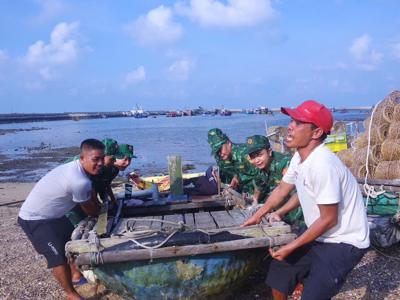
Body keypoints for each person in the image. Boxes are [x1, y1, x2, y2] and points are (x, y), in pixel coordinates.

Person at [242, 100, 370, 300]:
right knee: (279, 274)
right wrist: (257, 215)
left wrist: (290, 246)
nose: (290, 126)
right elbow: (283, 189)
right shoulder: (298, 157)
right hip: (319, 234)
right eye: (292, 120)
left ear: (316, 132)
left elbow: (329, 219)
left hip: (344, 241)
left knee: (312, 295)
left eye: (299, 123)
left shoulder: (322, 165)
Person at [18, 139, 104, 300]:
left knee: (68, 244)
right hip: (35, 218)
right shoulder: (78, 180)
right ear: (82, 158)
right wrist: (102, 215)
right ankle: (71, 294)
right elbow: (90, 210)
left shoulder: (79, 170)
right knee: (57, 258)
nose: (100, 163)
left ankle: (76, 276)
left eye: (102, 158)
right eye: (95, 159)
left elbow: (91, 194)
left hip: (55, 215)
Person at [244, 134, 291, 204]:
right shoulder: (259, 166)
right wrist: (254, 200)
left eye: (260, 155)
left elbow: (293, 194)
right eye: (253, 157)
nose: (256, 160)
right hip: (275, 206)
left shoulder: (284, 164)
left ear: (269, 152)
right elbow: (259, 186)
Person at [207, 128, 257, 193]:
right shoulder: (219, 156)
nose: (219, 153)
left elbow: (259, 174)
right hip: (232, 191)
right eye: (216, 151)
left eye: (220, 149)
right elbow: (224, 173)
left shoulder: (244, 152)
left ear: (228, 143)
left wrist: (238, 178)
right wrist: (217, 174)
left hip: (253, 192)